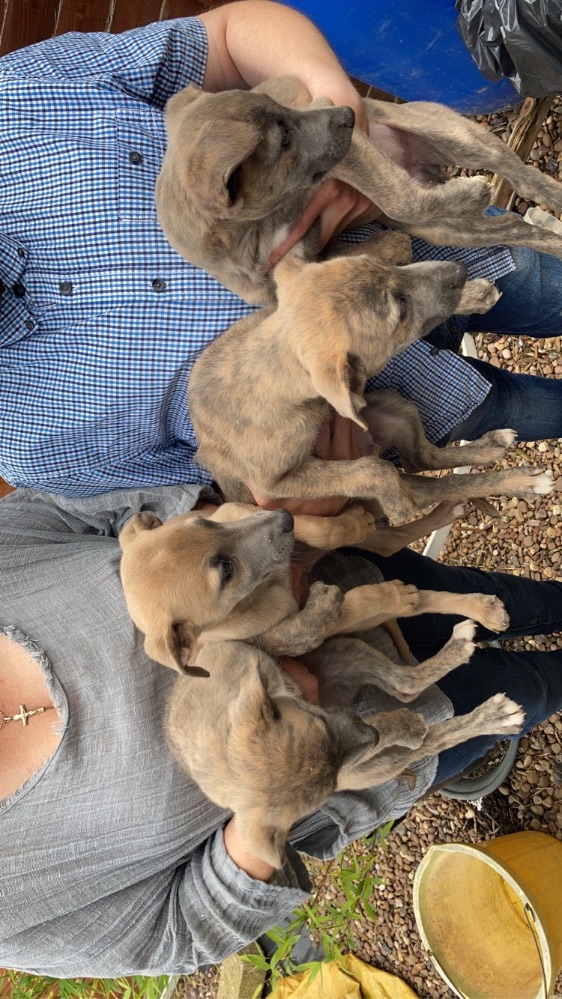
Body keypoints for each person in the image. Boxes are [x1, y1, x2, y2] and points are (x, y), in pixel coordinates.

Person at [0, 1, 561, 498]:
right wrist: (325, 490)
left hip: (440, 251)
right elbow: (238, 492)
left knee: (550, 287)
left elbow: (228, 39)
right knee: (541, 412)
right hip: (418, 404)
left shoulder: (17, 100)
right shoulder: (29, 451)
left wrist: (339, 119)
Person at [1, 481, 562, 978]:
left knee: (507, 601)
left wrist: (216, 519)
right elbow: (180, 932)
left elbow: (78, 503)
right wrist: (270, 805)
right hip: (372, 746)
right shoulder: (13, 912)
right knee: (531, 690)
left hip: (342, 587)